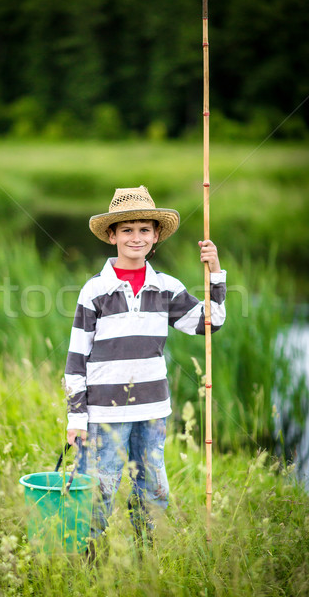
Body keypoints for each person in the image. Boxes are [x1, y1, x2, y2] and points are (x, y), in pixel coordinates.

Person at [64, 186, 226, 544]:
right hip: (103, 413)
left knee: (153, 487)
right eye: (126, 229)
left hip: (153, 408)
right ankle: (88, 557)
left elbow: (208, 322)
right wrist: (76, 418)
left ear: (155, 237)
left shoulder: (166, 287)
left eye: (143, 230)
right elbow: (76, 358)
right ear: (112, 236)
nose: (135, 237)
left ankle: (145, 556)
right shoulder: (94, 291)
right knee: (100, 488)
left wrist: (215, 273)